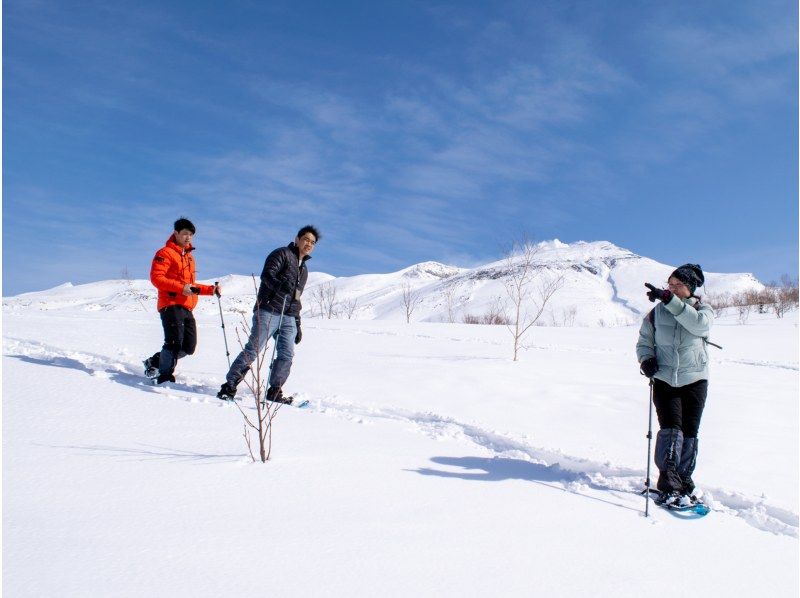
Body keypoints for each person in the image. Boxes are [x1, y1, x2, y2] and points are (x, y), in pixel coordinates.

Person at [636, 263, 714, 507]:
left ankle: (684, 480)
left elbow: (700, 325)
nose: (671, 288)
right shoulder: (656, 313)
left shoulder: (703, 310)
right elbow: (644, 341)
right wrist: (646, 358)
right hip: (665, 379)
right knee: (671, 428)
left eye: (677, 285)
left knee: (690, 432)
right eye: (669, 285)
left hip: (695, 380)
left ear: (690, 288)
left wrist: (671, 300)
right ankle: (669, 484)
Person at [216, 225, 320, 403]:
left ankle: (275, 391)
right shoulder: (282, 254)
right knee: (254, 349)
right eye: (306, 239)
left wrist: (297, 323)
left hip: (288, 316)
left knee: (286, 354)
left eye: (312, 242)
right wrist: (280, 285)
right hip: (268, 310)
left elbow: (296, 298)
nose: (308, 244)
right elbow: (267, 275)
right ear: (297, 239)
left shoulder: (304, 270)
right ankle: (229, 386)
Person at [144, 218, 219, 384]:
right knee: (173, 342)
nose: (188, 237)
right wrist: (179, 288)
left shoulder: (190, 258)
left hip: (187, 306)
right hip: (170, 304)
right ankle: (164, 377)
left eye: (191, 235)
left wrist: (210, 290)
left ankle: (155, 361)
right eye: (185, 234)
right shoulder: (164, 253)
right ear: (176, 233)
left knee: (188, 347)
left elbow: (190, 286)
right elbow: (157, 278)